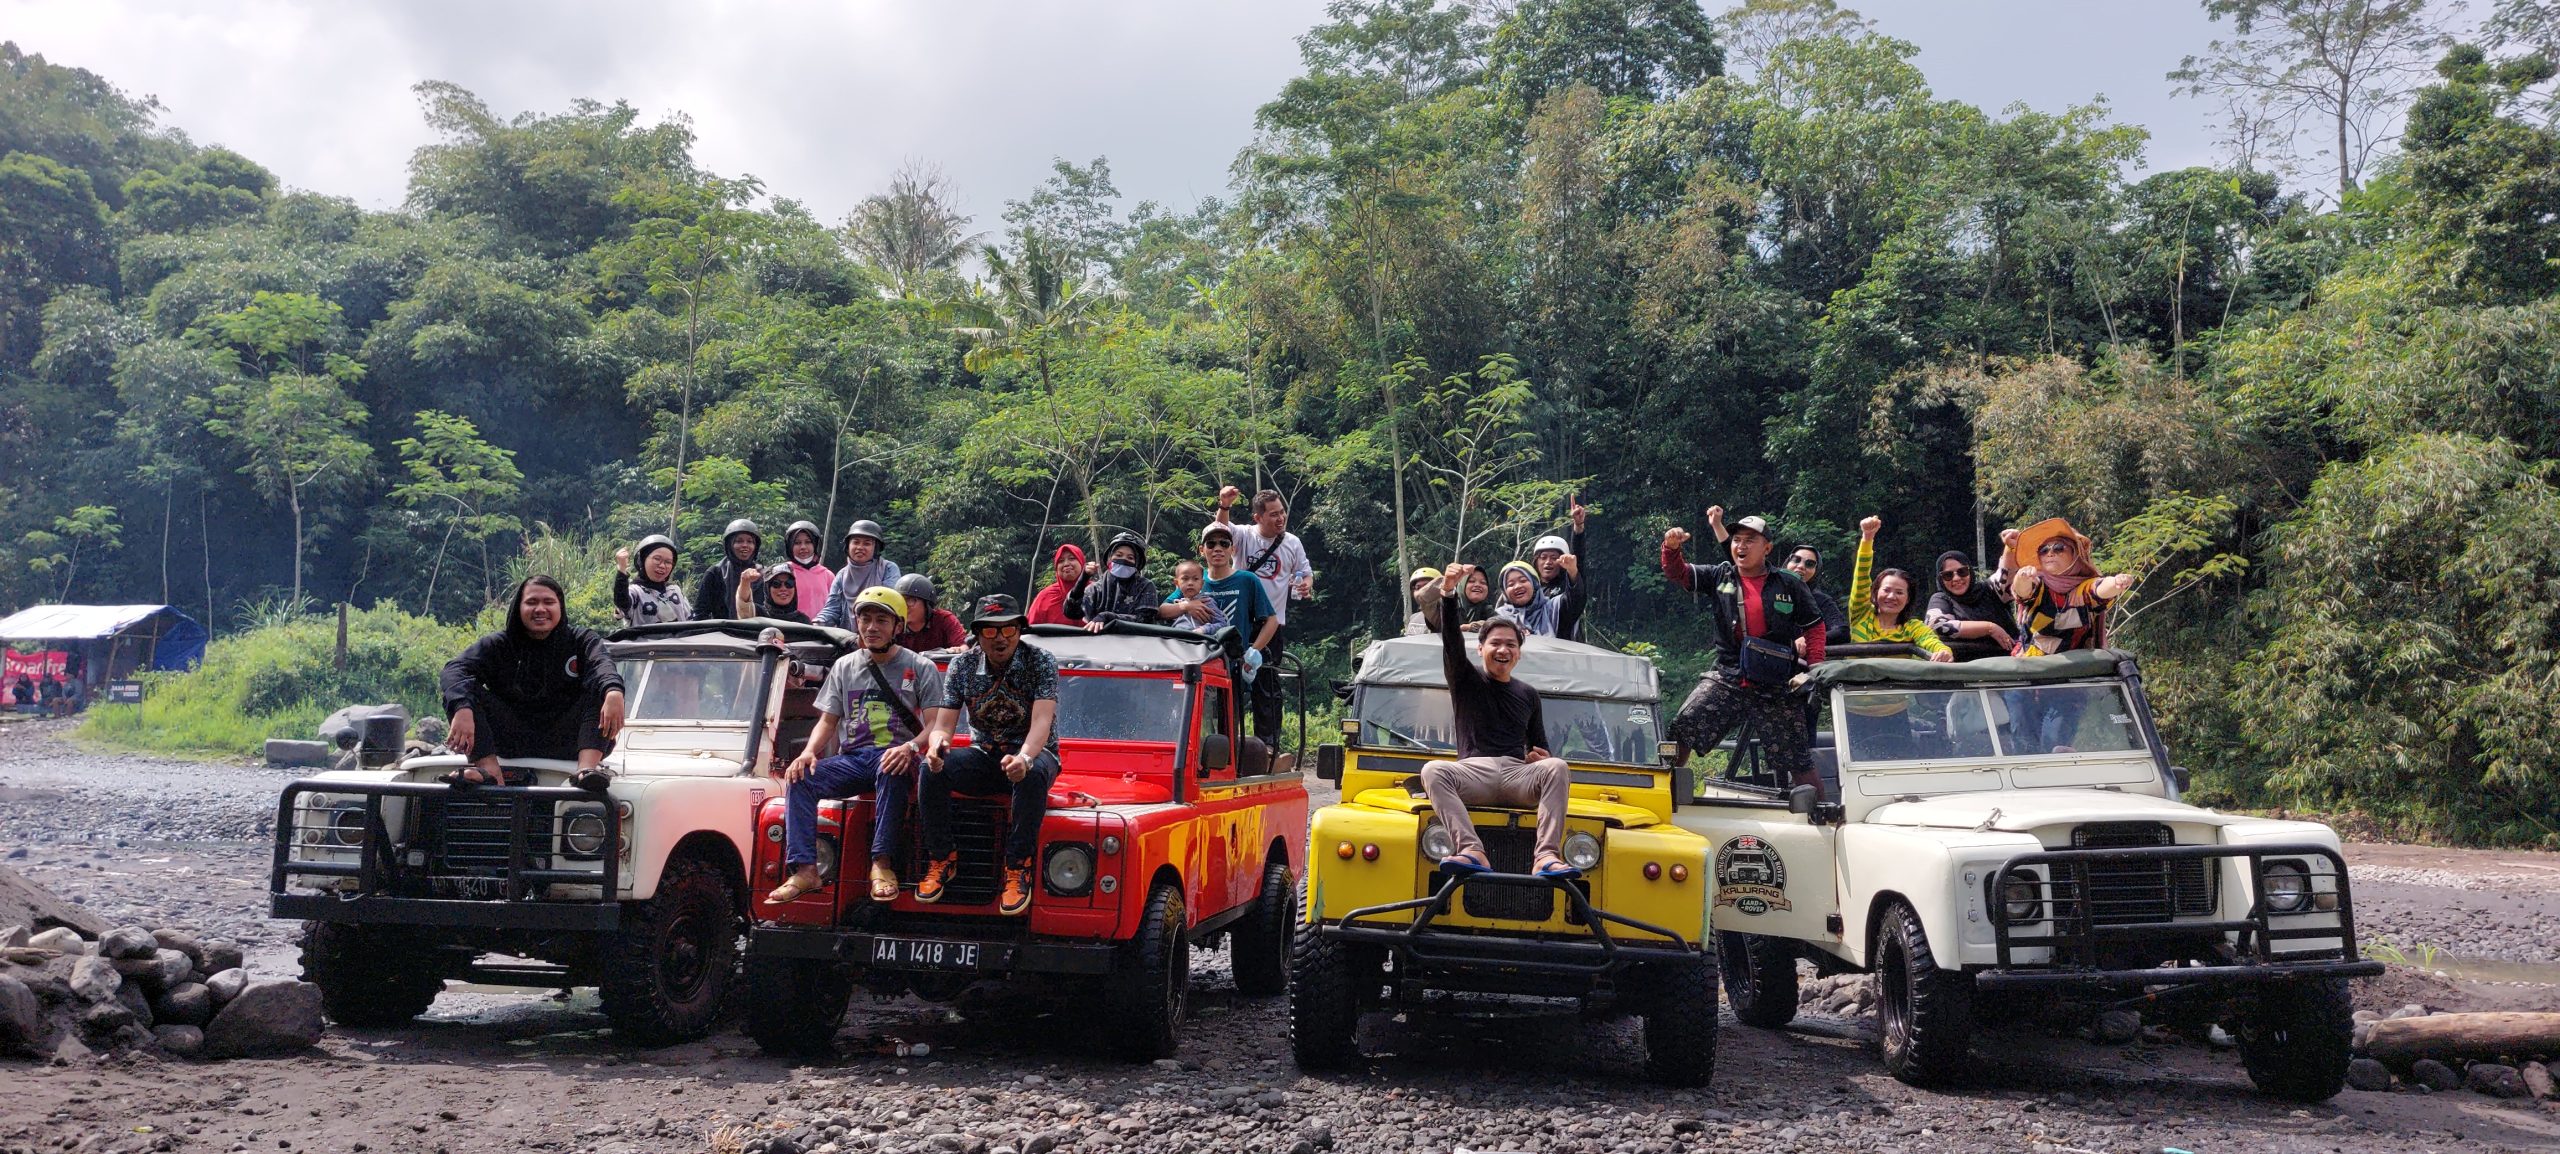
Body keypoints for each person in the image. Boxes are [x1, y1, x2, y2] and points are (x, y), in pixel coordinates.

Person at [766, 586, 947, 905]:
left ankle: (882, 864)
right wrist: (809, 752)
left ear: (898, 627)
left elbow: (934, 724)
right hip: (854, 759)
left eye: (881, 620)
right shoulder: (844, 666)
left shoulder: (920, 667)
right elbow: (828, 720)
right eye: (865, 619)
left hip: (898, 757)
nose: (872, 627)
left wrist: (911, 748)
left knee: (890, 767)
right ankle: (806, 869)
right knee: (800, 778)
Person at [1418, 565, 1577, 878]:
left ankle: (1546, 856)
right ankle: (1471, 849)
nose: (1503, 649)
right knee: (1432, 770)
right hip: (1473, 772)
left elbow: (1540, 745)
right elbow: (1451, 642)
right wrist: (1448, 594)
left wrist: (1538, 756)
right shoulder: (1465, 678)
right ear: (1480, 649)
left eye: (1511, 645)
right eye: (1495, 643)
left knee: (1557, 767)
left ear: (1519, 654)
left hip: (1517, 773)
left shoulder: (1528, 694)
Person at [1661, 507, 1828, 794]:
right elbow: (1679, 573)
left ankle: (1823, 818)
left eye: (1751, 540)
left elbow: (1815, 628)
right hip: (1729, 677)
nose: (1742, 545)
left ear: (1768, 548)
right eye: (1737, 539)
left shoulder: (1789, 583)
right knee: (1682, 728)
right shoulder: (1719, 576)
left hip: (1778, 683)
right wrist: (1671, 548)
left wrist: (1813, 671)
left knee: (1798, 759)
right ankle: (1665, 797)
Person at [919, 594, 1060, 916]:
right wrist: (937, 747)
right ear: (978, 634)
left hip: (1036, 753)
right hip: (984, 753)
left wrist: (1024, 758)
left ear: (1020, 630)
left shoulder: (1041, 661)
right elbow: (943, 724)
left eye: (1008, 630)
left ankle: (1017, 867)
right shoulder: (961, 665)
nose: (1000, 639)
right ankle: (941, 857)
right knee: (930, 770)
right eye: (991, 631)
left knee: (1034, 774)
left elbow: (1042, 720)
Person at [439, 576, 627, 787]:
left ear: (560, 606)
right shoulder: (500, 644)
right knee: (461, 689)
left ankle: (586, 771)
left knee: (602, 689)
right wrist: (462, 707)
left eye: (548, 602)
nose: (540, 609)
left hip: (569, 741)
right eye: (531, 602)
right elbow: (454, 670)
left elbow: (602, 666)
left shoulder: (581, 640)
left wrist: (613, 691)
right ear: (518, 607)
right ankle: (488, 769)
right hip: (510, 739)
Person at [2001, 519, 2137, 754]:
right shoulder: (2038, 584)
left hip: (2068, 682)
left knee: (2054, 742)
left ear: (2075, 555)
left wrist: (2117, 583)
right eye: (2044, 550)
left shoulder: (2083, 589)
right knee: (2024, 747)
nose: (2049, 554)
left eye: (2058, 548)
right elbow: (2023, 592)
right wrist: (2022, 577)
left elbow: (2099, 590)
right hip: (2025, 678)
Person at [1208, 486, 1313, 744]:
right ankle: (1226, 744)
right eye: (1273, 514)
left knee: (1266, 682)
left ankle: (1267, 745)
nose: (1280, 519)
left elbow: (1306, 572)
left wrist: (1306, 584)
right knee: (1228, 682)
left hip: (1272, 623)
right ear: (1258, 517)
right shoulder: (1245, 535)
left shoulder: (1292, 542)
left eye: (1282, 513)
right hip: (1242, 621)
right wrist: (1224, 505)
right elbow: (1219, 532)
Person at [1849, 517, 1953, 662]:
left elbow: (1930, 640)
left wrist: (1943, 651)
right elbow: (1861, 577)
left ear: (1908, 598)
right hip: (1857, 683)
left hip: (1897, 685)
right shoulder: (1861, 615)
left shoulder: (1912, 627)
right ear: (1875, 592)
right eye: (1886, 590)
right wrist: (1867, 538)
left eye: (1899, 592)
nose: (1891, 596)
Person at [1193, 522, 1278, 683]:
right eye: (1211, 544)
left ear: (1233, 549)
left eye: (1224, 544)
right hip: (1200, 665)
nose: (1218, 548)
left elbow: (1271, 620)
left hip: (1234, 667)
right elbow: (1164, 610)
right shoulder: (1195, 580)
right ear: (1202, 550)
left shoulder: (1247, 580)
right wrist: (1186, 606)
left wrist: (1253, 651)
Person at [1924, 550, 2013, 661]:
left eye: (1962, 571)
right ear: (1940, 579)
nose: (1956, 578)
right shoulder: (1940, 599)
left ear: (1970, 571)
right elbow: (1937, 626)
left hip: (2008, 665)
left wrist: (2010, 547)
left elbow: (2008, 573)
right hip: (1965, 670)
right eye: (1948, 575)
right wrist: (1989, 628)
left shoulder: (1990, 589)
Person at [815, 519, 903, 629]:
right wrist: (817, 623)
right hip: (850, 639)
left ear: (875, 548)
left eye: (867, 543)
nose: (860, 547)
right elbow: (832, 609)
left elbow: (888, 603)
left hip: (880, 634)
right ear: (848, 546)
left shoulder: (888, 569)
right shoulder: (842, 575)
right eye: (856, 542)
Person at [1533, 497, 1590, 640]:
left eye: (1553, 557)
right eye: (1543, 557)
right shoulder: (1529, 588)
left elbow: (1578, 560)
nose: (1548, 562)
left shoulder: (1566, 588)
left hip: (1564, 652)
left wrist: (1578, 526)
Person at [1079, 531, 1160, 630]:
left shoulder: (1145, 586)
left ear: (1137, 563)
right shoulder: (1095, 589)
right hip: (1099, 642)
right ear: (1109, 558)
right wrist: (1083, 578)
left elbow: (1145, 619)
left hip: (1136, 642)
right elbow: (1072, 612)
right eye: (1118, 555)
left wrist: (1108, 617)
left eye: (1130, 557)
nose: (1123, 559)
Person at [1493, 557, 1587, 639]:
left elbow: (1575, 599)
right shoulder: (1498, 617)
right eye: (1510, 584)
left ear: (1535, 585)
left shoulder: (1553, 609)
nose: (1517, 586)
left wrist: (1572, 571)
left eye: (1523, 580)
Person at [613, 534, 694, 629]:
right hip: (646, 643)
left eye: (668, 562)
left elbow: (692, 622)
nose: (662, 566)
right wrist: (622, 570)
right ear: (641, 560)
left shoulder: (675, 590)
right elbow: (622, 602)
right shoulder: (635, 592)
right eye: (657, 559)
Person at [694, 519, 763, 622]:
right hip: (722, 634)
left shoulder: (761, 573)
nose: (745, 545)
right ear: (729, 544)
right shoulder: (715, 573)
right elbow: (700, 612)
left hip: (756, 633)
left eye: (750, 541)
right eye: (739, 541)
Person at [892, 573, 967, 652]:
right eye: (901, 600)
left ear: (927, 604)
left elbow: (964, 647)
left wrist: (957, 650)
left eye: (910, 600)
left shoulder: (944, 619)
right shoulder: (895, 624)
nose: (904, 605)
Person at [780, 520, 834, 621]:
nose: (803, 547)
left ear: (815, 544)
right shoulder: (783, 573)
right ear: (790, 546)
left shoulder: (827, 575)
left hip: (821, 630)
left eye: (808, 542)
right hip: (791, 629)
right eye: (797, 543)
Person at [1026, 543, 1088, 627]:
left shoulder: (1097, 592)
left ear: (1082, 562)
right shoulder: (1045, 597)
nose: (1066, 564)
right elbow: (1030, 630)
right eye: (1061, 561)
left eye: (1072, 558)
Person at [1165, 560, 1228, 635]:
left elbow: (1222, 624)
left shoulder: (1207, 602)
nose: (1190, 583)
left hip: (1198, 643)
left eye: (1195, 579)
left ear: (1202, 583)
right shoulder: (1176, 604)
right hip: (1177, 642)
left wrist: (1204, 629)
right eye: (1185, 579)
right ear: (1177, 583)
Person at [736, 563, 810, 624]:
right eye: (776, 584)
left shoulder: (804, 621)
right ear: (767, 589)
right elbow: (743, 604)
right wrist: (745, 582)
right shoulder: (756, 614)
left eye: (789, 584)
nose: (783, 588)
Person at [1400, 566, 1444, 636]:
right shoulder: (1414, 618)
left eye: (1427, 586)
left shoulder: (1449, 616)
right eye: (1418, 587)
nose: (1422, 591)